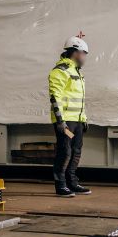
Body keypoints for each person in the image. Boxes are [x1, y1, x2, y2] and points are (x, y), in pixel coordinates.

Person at [49, 36, 92, 197]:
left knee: (76, 151)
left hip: (77, 122)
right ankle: (61, 185)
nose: (85, 57)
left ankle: (72, 183)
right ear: (76, 52)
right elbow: (55, 96)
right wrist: (60, 121)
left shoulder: (77, 73)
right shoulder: (60, 71)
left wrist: (84, 118)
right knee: (65, 151)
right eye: (84, 53)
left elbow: (78, 99)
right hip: (66, 122)